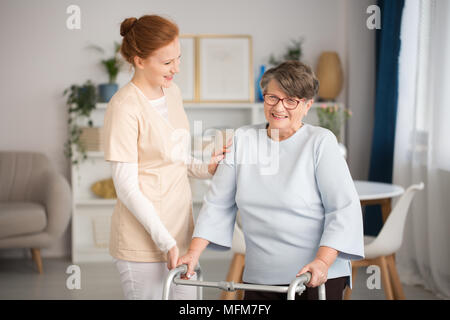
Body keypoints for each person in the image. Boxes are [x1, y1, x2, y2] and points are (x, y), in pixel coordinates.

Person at [178, 61, 365, 300]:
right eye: (273, 98)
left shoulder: (320, 142)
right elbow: (217, 203)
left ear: (307, 105)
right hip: (261, 277)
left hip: (316, 274)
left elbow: (343, 210)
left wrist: (322, 262)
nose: (279, 107)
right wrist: (193, 254)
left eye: (291, 100)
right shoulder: (243, 139)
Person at [102, 14, 231, 300]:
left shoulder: (172, 93)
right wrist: (165, 241)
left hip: (181, 233)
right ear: (139, 60)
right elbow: (126, 187)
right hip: (144, 242)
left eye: (178, 58)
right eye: (167, 62)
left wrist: (206, 167)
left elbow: (176, 156)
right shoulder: (123, 107)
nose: (177, 68)